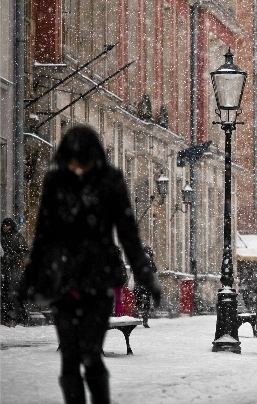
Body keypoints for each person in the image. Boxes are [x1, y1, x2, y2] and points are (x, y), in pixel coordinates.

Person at [19, 124, 161, 404]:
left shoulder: (111, 181)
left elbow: (129, 235)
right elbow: (43, 238)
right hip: (64, 283)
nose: (77, 167)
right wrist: (28, 279)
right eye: (72, 161)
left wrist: (145, 275)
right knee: (70, 359)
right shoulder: (56, 182)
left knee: (91, 355)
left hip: (97, 284)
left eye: (82, 161)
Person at [1, 217, 29, 326]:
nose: (5, 227)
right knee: (5, 295)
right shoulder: (2, 237)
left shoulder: (17, 237)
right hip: (4, 269)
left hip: (14, 270)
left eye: (7, 225)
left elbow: (25, 251)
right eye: (3, 225)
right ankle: (7, 317)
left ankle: (19, 318)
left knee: (13, 294)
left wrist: (14, 256)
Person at [134, 246, 158, 327]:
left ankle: (136, 318)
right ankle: (145, 321)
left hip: (138, 284)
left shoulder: (138, 259)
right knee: (146, 303)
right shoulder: (150, 260)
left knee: (138, 302)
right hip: (147, 285)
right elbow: (154, 270)